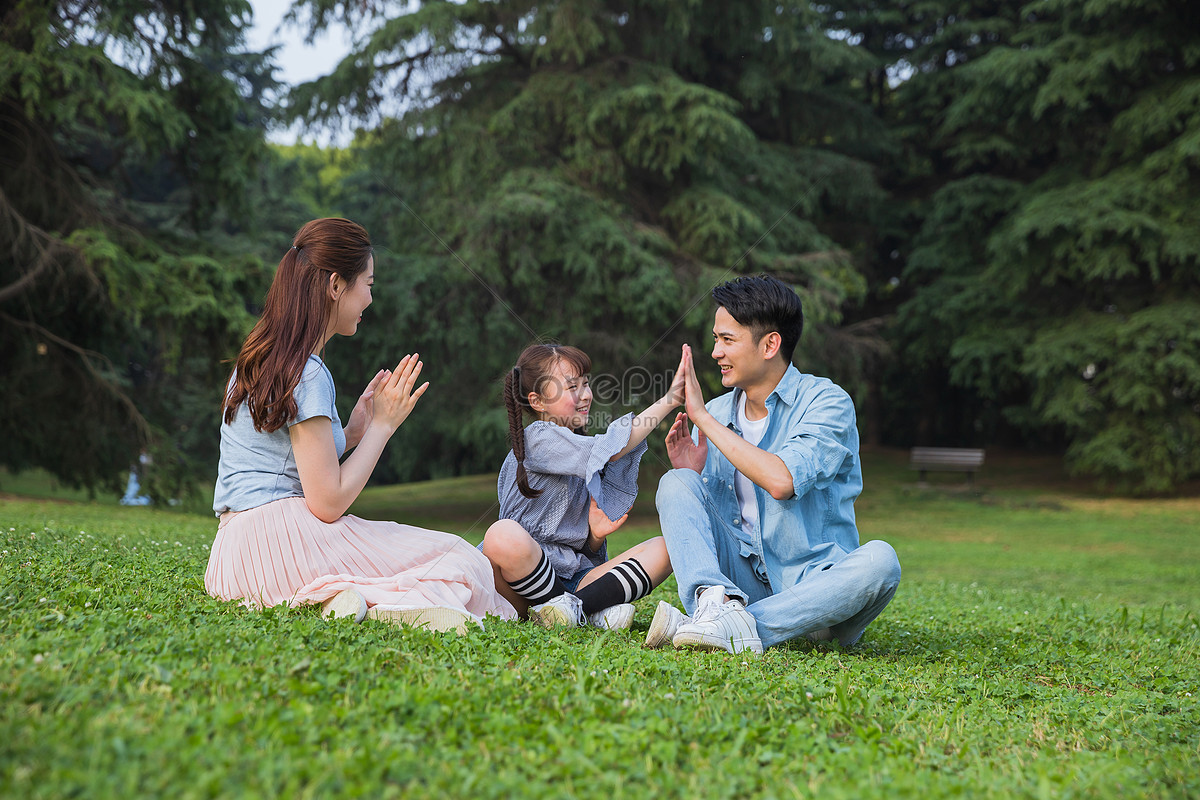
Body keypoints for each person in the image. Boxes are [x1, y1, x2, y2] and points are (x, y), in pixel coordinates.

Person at [205, 218, 516, 633]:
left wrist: (351, 433)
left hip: (234, 562)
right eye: (367, 283)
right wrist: (382, 428)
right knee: (458, 557)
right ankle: (390, 604)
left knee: (439, 557)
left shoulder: (259, 358)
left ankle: (343, 599)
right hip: (285, 544)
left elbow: (284, 458)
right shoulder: (309, 372)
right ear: (336, 285)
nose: (370, 298)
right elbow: (328, 502)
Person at [647, 275, 901, 653]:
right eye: (716, 339)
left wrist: (703, 420)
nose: (715, 352)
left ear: (770, 344)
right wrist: (692, 472)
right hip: (741, 582)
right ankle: (715, 608)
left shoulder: (826, 402)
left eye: (727, 340)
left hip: (816, 593)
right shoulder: (717, 413)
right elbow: (718, 522)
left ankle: (737, 626)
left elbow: (781, 480)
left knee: (882, 560)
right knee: (675, 481)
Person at [480, 343, 683, 629]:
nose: (586, 395)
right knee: (501, 535)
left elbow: (585, 558)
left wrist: (594, 539)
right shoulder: (537, 438)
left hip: (572, 578)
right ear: (537, 402)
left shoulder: (579, 452)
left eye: (586, 385)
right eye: (572, 386)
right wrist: (670, 399)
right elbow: (611, 449)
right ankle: (580, 610)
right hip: (518, 582)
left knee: (665, 548)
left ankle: (573, 612)